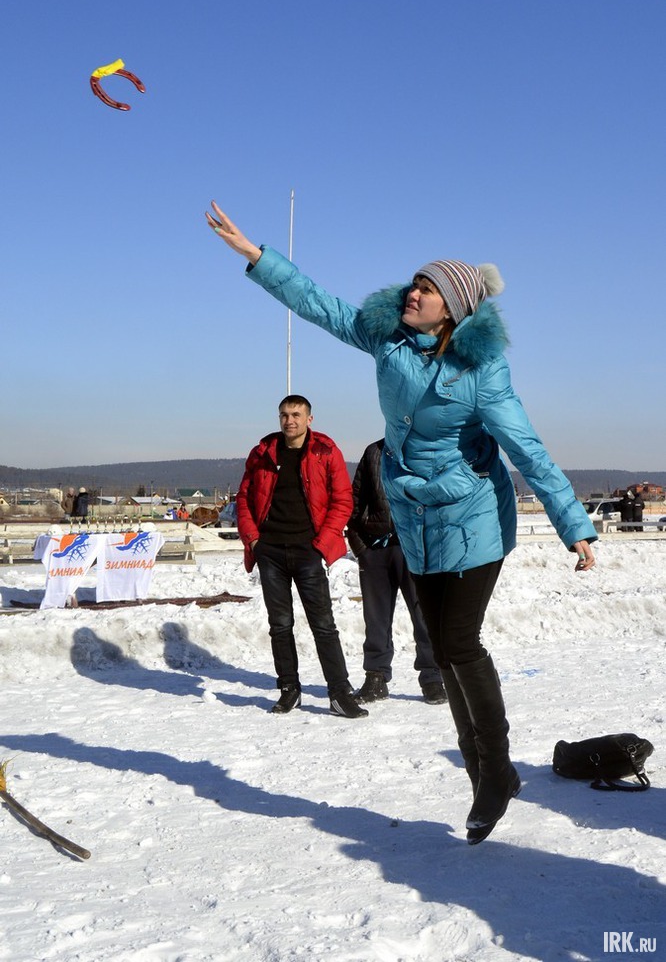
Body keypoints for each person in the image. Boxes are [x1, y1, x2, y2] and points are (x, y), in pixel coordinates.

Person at [205, 202, 596, 844]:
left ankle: (492, 771)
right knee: (441, 647)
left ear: (455, 308)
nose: (413, 292)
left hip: (474, 516)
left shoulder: (482, 371)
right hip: (415, 520)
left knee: (460, 643)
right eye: (415, 283)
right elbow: (322, 306)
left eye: (428, 288)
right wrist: (257, 256)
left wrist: (571, 521)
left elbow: (528, 448)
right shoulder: (387, 340)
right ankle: (490, 771)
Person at [236, 394, 368, 719]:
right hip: (270, 553)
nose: (289, 420)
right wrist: (254, 541)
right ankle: (289, 691)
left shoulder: (325, 451)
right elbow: (243, 499)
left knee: (323, 625)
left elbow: (343, 500)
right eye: (284, 415)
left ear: (310, 419)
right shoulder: (263, 452)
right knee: (280, 625)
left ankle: (340, 693)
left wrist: (322, 544)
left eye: (296, 414)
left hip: (309, 551)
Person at [348, 438, 447, 705]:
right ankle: (376, 677)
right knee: (376, 619)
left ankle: (433, 678)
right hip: (376, 549)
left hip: (417, 548)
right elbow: (355, 499)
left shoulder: (428, 447)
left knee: (424, 616)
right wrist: (360, 547)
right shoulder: (374, 452)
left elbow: (441, 496)